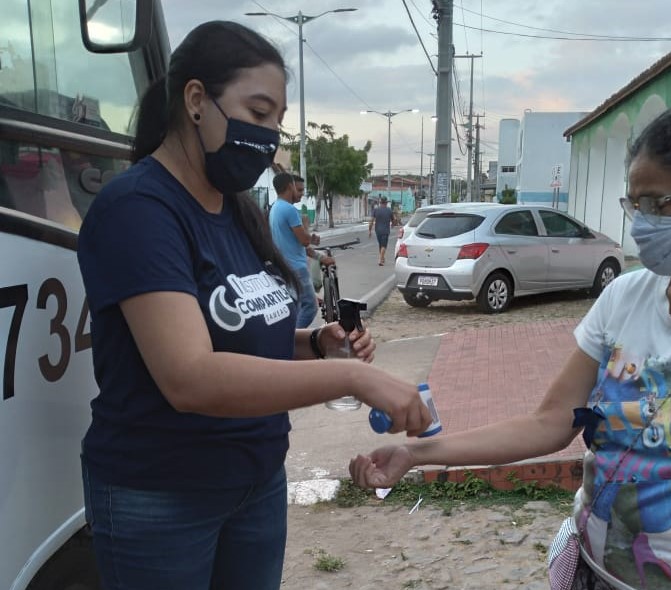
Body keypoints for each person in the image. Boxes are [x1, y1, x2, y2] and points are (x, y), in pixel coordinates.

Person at [351, 98, 671, 590]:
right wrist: (418, 455)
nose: (641, 222)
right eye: (634, 204)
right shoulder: (625, 296)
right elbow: (550, 422)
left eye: (659, 204)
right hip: (590, 573)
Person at [76, 21, 431, 590]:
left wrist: (316, 345)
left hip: (256, 482)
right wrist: (353, 379)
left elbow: (238, 335)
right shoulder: (138, 210)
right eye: (258, 112)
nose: (268, 136)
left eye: (277, 121)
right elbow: (190, 376)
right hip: (162, 496)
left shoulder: (235, 210)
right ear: (197, 100)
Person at [269, 171, 332, 328]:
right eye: (299, 190)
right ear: (290, 186)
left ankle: (289, 340)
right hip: (297, 268)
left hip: (284, 267)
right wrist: (306, 229)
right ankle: (294, 340)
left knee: (295, 307)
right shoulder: (290, 210)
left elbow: (293, 241)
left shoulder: (275, 208)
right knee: (310, 308)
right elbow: (304, 240)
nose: (301, 194)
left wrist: (311, 241)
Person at [368, 196, 393, 265]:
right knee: (384, 246)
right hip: (385, 231)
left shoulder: (376, 210)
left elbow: (371, 221)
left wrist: (370, 230)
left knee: (381, 245)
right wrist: (393, 224)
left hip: (377, 231)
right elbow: (393, 220)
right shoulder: (389, 210)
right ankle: (380, 260)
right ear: (386, 202)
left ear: (380, 202)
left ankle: (382, 258)